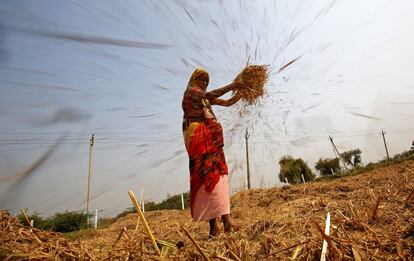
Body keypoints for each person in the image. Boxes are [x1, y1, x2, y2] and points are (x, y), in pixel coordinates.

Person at [182, 68, 241, 237]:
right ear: (194, 80)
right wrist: (233, 84)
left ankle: (227, 222)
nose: (204, 84)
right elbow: (211, 94)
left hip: (211, 140)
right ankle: (213, 227)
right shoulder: (192, 93)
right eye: (201, 80)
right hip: (199, 140)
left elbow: (228, 102)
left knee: (219, 176)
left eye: (206, 82)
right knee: (206, 175)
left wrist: (242, 90)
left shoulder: (204, 99)